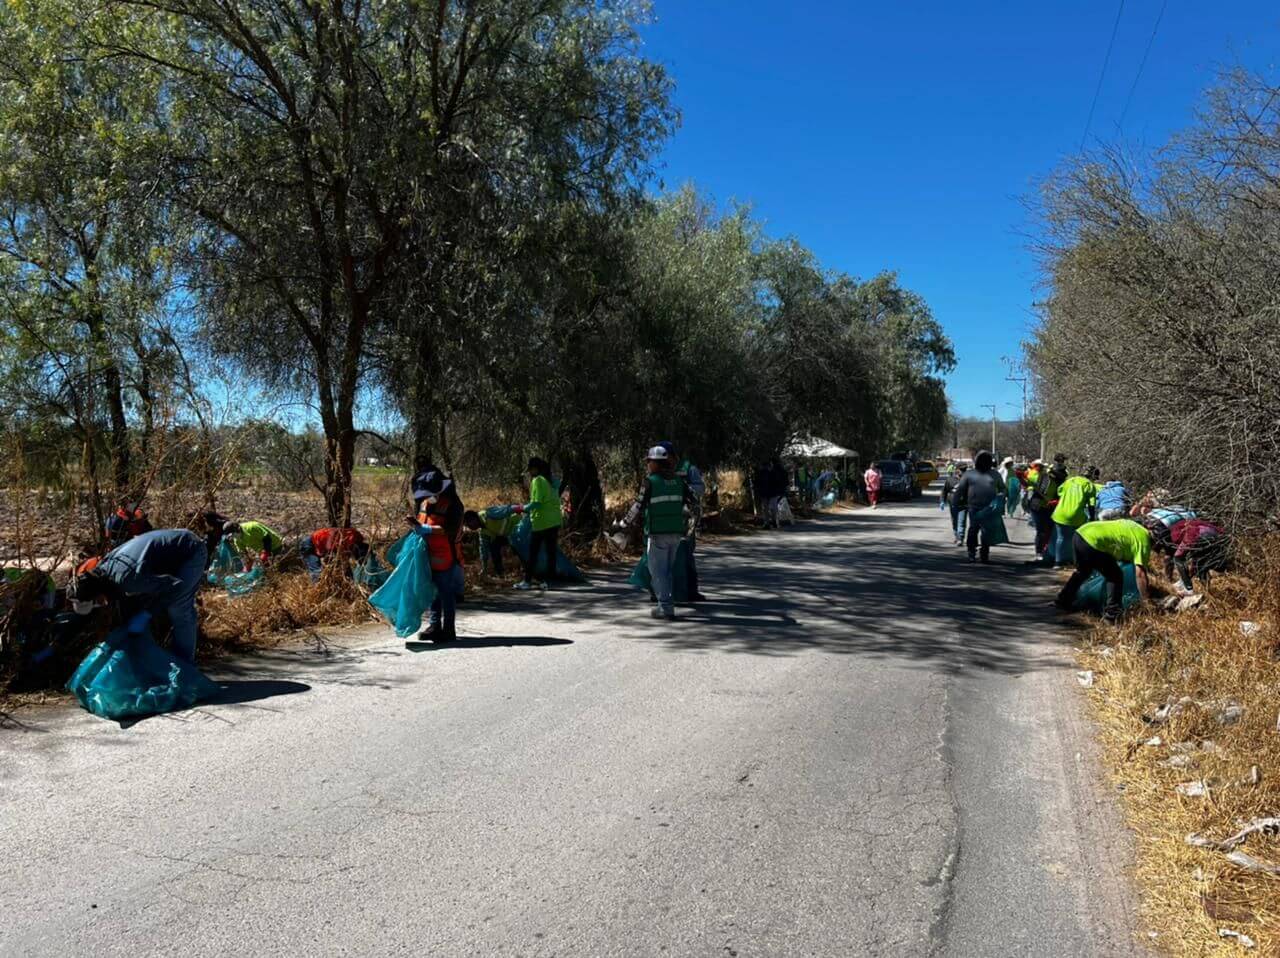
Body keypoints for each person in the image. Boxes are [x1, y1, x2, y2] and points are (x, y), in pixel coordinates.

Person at [66, 528, 208, 662]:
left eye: (97, 602)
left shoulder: (128, 579)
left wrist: (147, 613)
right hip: (171, 552)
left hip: (190, 550)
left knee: (178, 608)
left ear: (98, 592)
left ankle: (185, 667)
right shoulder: (105, 570)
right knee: (146, 599)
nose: (102, 603)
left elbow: (175, 586)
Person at [617, 445, 700, 620]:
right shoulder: (679, 481)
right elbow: (694, 501)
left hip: (657, 533)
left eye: (649, 461)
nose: (647, 464)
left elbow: (637, 506)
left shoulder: (650, 482)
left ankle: (665, 607)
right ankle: (666, 603)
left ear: (656, 463)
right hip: (676, 533)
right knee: (667, 569)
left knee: (657, 571)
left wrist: (623, 524)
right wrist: (690, 525)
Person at [1055, 519, 1152, 622]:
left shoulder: (1135, 526)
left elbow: (1118, 541)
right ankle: (1112, 613)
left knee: (1083, 571)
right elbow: (1140, 574)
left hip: (1080, 534)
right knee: (1115, 575)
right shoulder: (1144, 541)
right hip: (1093, 541)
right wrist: (1146, 600)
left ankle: (1062, 600)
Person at [404, 476, 465, 641]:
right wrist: (415, 524)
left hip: (446, 557)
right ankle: (434, 626)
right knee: (433, 594)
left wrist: (425, 529)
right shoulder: (425, 503)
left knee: (446, 594)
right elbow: (422, 522)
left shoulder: (453, 505)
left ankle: (449, 629)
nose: (425, 497)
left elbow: (450, 530)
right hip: (427, 557)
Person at [663, 441, 707, 601]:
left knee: (686, 553)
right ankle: (661, 592)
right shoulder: (658, 470)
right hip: (664, 518)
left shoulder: (689, 469)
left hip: (686, 519)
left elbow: (700, 489)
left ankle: (690, 590)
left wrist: (684, 488)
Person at [951, 450, 1005, 563]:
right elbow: (960, 490)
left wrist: (1000, 497)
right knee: (973, 530)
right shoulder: (969, 474)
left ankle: (984, 553)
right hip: (974, 507)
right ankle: (971, 551)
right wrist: (954, 503)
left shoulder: (995, 474)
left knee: (986, 532)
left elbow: (1003, 489)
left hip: (989, 508)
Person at [1158, 518, 1228, 595]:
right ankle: (1208, 593)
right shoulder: (1188, 522)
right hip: (1215, 536)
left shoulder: (1174, 531)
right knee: (1200, 565)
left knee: (1177, 558)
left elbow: (1181, 549)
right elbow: (1194, 563)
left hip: (1197, 534)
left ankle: (1188, 589)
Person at [1049, 468, 1100, 567]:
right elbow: (1091, 504)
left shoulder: (1070, 480)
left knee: (1061, 538)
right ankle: (1074, 561)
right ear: (1092, 476)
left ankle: (1057, 562)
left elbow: (1059, 491)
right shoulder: (1089, 485)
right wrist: (1092, 519)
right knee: (1075, 539)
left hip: (1060, 513)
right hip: (1076, 515)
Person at [1026, 454, 1067, 563]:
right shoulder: (1044, 477)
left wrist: (1056, 501)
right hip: (1037, 506)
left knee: (1049, 530)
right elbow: (1030, 479)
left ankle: (1047, 552)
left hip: (1049, 508)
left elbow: (1061, 495)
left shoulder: (1061, 483)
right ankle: (1039, 552)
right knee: (1041, 530)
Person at [463, 505, 525, 576]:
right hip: (508, 535)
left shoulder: (489, 514)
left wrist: (521, 508)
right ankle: (500, 574)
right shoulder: (483, 531)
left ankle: (527, 568)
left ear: (474, 519)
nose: (469, 527)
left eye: (469, 524)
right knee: (493, 546)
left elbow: (506, 509)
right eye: (467, 526)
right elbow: (483, 550)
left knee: (518, 546)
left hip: (518, 526)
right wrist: (484, 568)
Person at [297, 527, 368, 580]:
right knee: (317, 571)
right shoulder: (336, 545)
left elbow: (345, 563)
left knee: (344, 567)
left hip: (320, 541)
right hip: (309, 544)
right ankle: (319, 593)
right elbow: (330, 560)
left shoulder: (354, 538)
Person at [941, 463, 968, 546]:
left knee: (962, 521)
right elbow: (944, 491)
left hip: (964, 504)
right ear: (956, 470)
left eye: (964, 470)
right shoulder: (950, 480)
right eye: (961, 470)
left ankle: (961, 538)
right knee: (954, 521)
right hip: (953, 504)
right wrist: (942, 500)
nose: (962, 472)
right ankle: (956, 536)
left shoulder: (968, 480)